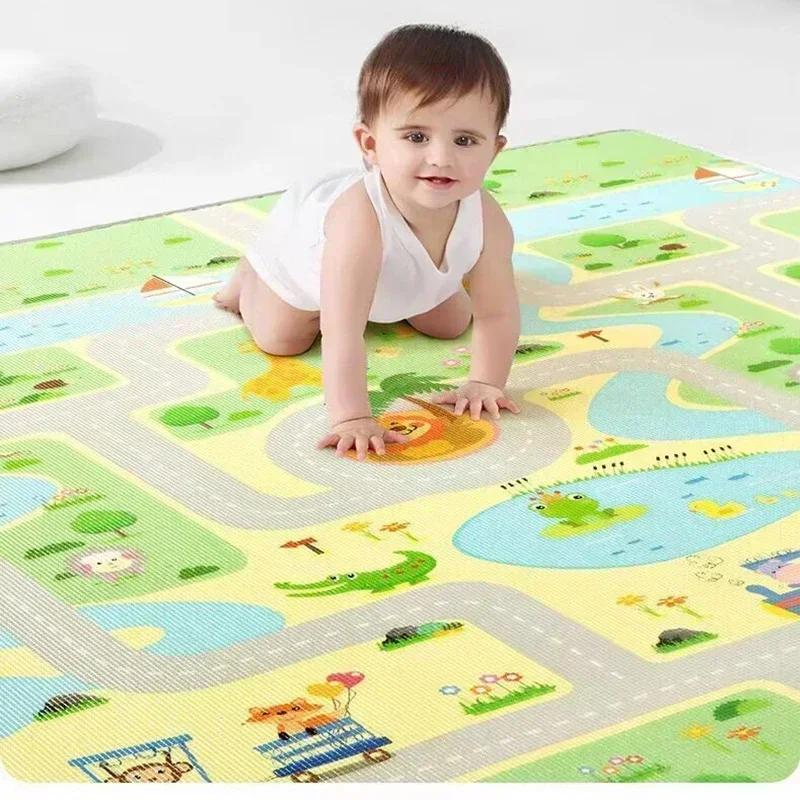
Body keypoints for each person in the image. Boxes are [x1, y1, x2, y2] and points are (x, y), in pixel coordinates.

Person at [213, 23, 521, 461]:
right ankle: (250, 278)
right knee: (283, 338)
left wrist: (486, 382)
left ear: (494, 150)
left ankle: (407, 286)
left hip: (393, 277)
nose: (441, 158)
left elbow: (497, 312)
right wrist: (352, 417)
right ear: (370, 144)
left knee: (453, 322)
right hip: (310, 272)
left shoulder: (487, 215)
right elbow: (342, 330)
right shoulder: (357, 220)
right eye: (416, 137)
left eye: (465, 140)